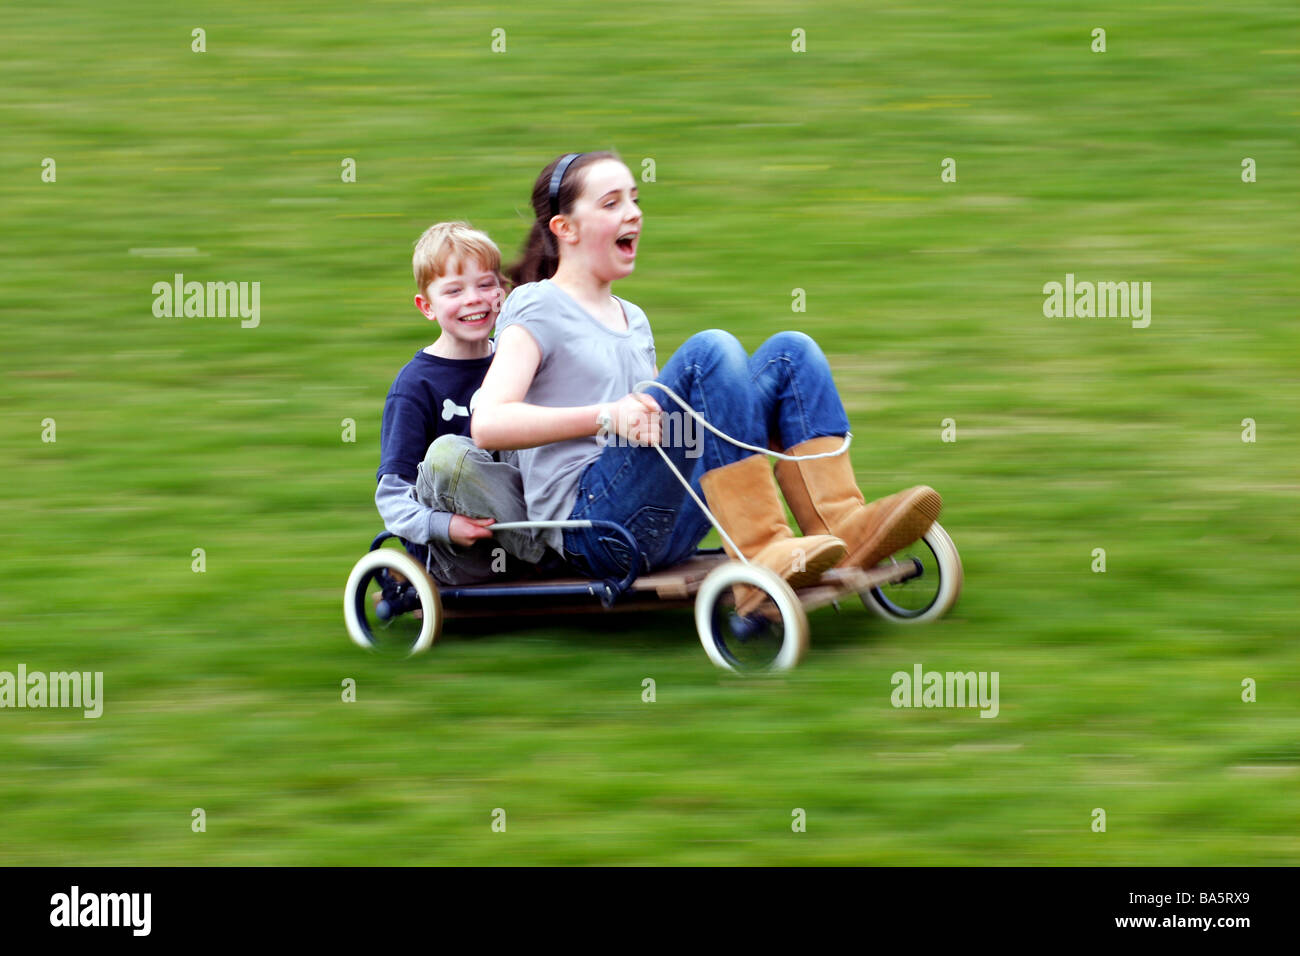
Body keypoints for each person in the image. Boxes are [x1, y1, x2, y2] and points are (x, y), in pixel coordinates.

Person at [471, 152, 940, 608]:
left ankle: (840, 525)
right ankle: (761, 549)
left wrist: (729, 416)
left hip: (662, 521)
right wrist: (607, 416)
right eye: (611, 203)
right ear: (565, 228)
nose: (633, 213)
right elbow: (489, 423)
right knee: (708, 353)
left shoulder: (631, 317)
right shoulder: (537, 305)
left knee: (791, 354)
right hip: (593, 529)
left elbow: (668, 433)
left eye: (634, 199)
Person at [375, 221, 552, 585]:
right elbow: (392, 497)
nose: (473, 298)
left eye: (486, 284)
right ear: (427, 306)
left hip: (528, 521)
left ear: (502, 292)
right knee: (448, 455)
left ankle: (564, 536)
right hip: (465, 553)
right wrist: (446, 525)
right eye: (454, 290)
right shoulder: (415, 385)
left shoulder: (515, 359)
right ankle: (547, 553)